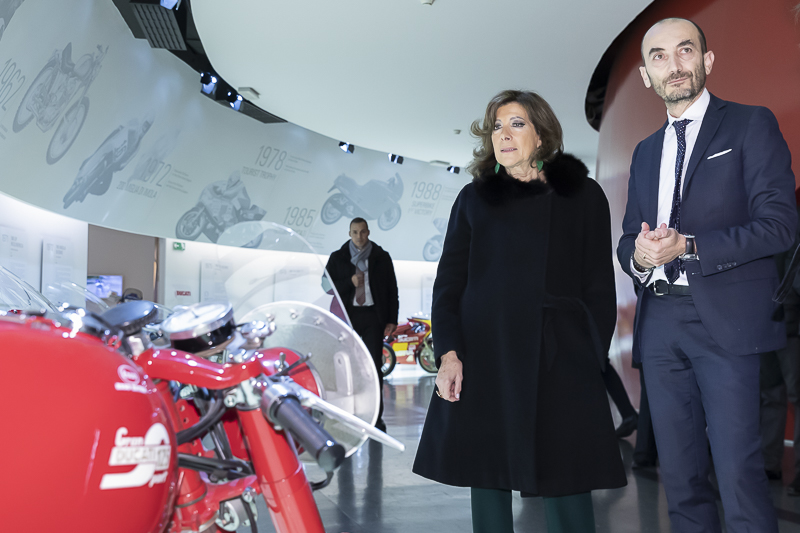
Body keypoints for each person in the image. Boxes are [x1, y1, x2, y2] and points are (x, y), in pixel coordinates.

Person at [412, 90, 626, 533]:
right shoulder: (473, 199)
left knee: (568, 475)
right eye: (496, 126)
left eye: (516, 124)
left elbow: (599, 287)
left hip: (561, 355)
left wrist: (589, 353)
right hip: (486, 353)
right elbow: (449, 284)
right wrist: (450, 354)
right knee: (487, 475)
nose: (503, 135)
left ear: (542, 134)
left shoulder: (583, 195)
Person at [617, 18, 796, 533]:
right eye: (659, 57)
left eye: (684, 50)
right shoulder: (646, 151)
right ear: (647, 77)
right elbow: (630, 236)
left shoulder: (749, 124)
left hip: (728, 324)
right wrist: (642, 257)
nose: (673, 65)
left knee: (740, 476)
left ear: (706, 60)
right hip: (661, 326)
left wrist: (689, 246)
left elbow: (780, 225)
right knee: (681, 479)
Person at [325, 218, 398, 432]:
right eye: (355, 232)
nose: (359, 237)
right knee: (345, 367)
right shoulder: (337, 258)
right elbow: (326, 287)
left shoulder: (381, 257)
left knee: (374, 368)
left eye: (363, 232)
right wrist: (350, 282)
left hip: (373, 317)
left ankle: (376, 417)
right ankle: (347, 415)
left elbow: (392, 289)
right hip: (347, 318)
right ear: (349, 233)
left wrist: (392, 319)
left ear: (369, 232)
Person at [760, 206, 800, 493]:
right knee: (790, 397)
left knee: (771, 395)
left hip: (768, 319)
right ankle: (788, 471)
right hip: (788, 322)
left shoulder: (766, 220)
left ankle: (769, 463)